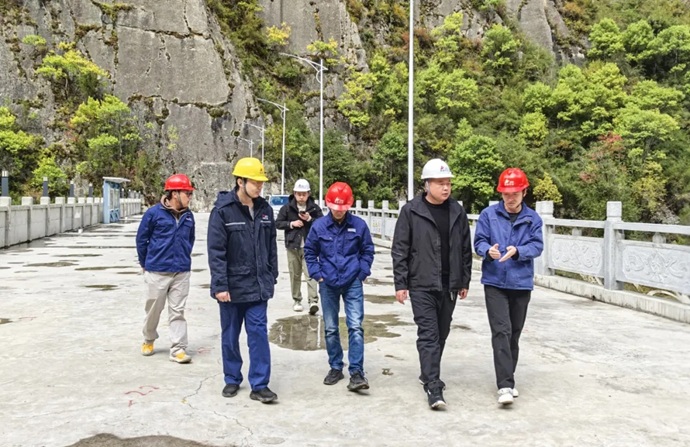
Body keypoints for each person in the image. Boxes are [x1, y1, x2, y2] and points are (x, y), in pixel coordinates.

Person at [391, 158, 472, 410]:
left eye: (448, 183)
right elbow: (400, 248)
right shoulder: (412, 211)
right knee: (429, 334)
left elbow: (465, 249)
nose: (446, 187)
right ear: (427, 184)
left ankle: (427, 372)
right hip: (421, 283)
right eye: (440, 183)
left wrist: (464, 279)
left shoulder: (457, 211)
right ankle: (433, 386)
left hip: (450, 285)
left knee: (442, 333)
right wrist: (400, 283)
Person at [207, 157, 279, 404]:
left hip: (258, 287)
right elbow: (216, 251)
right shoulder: (222, 211)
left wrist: (272, 275)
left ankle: (260, 385)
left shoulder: (265, 210)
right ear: (240, 181)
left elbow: (271, 247)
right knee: (230, 336)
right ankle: (232, 378)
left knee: (258, 334)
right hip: (232, 288)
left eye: (261, 182)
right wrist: (220, 286)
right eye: (255, 182)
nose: (260, 186)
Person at [473, 167, 544, 406]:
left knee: (514, 332)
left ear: (524, 192)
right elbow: (479, 241)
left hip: (521, 282)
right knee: (501, 331)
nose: (510, 198)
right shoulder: (488, 215)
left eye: (514, 193)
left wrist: (519, 251)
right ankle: (504, 384)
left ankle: (508, 377)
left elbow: (537, 246)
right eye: (506, 193)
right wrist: (488, 251)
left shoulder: (533, 218)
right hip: (495, 281)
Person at [304, 182, 375, 392]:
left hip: (352, 281)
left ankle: (357, 372)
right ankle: (336, 366)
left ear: (348, 206)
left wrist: (362, 273)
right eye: (335, 208)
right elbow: (309, 252)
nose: (338, 211)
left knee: (355, 327)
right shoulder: (319, 227)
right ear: (328, 205)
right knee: (331, 328)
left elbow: (367, 250)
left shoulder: (359, 225)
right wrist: (317, 275)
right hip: (328, 282)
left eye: (342, 208)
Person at [136, 173, 196, 364]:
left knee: (178, 311)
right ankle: (149, 339)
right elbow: (141, 240)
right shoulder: (153, 214)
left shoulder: (189, 216)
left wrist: (184, 258)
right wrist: (146, 263)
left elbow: (190, 239)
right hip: (157, 270)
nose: (190, 197)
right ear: (174, 194)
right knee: (153, 310)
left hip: (181, 271)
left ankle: (178, 349)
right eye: (187, 193)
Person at [275, 178, 323, 314]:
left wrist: (310, 219)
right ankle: (297, 300)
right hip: (292, 246)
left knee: (311, 274)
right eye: (299, 194)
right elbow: (278, 223)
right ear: (294, 193)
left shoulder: (314, 208)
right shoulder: (287, 208)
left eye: (304, 194)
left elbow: (323, 224)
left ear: (308, 194)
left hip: (310, 247)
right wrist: (291, 224)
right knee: (294, 274)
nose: (301, 197)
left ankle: (313, 301)